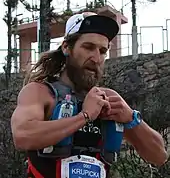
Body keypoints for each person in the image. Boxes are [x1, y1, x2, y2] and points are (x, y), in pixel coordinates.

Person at [11, 12, 168, 178]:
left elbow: (159, 156)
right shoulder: (40, 92)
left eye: (102, 51)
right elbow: (22, 135)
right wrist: (84, 116)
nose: (96, 58)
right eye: (88, 47)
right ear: (66, 47)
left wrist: (131, 118)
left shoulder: (107, 98)